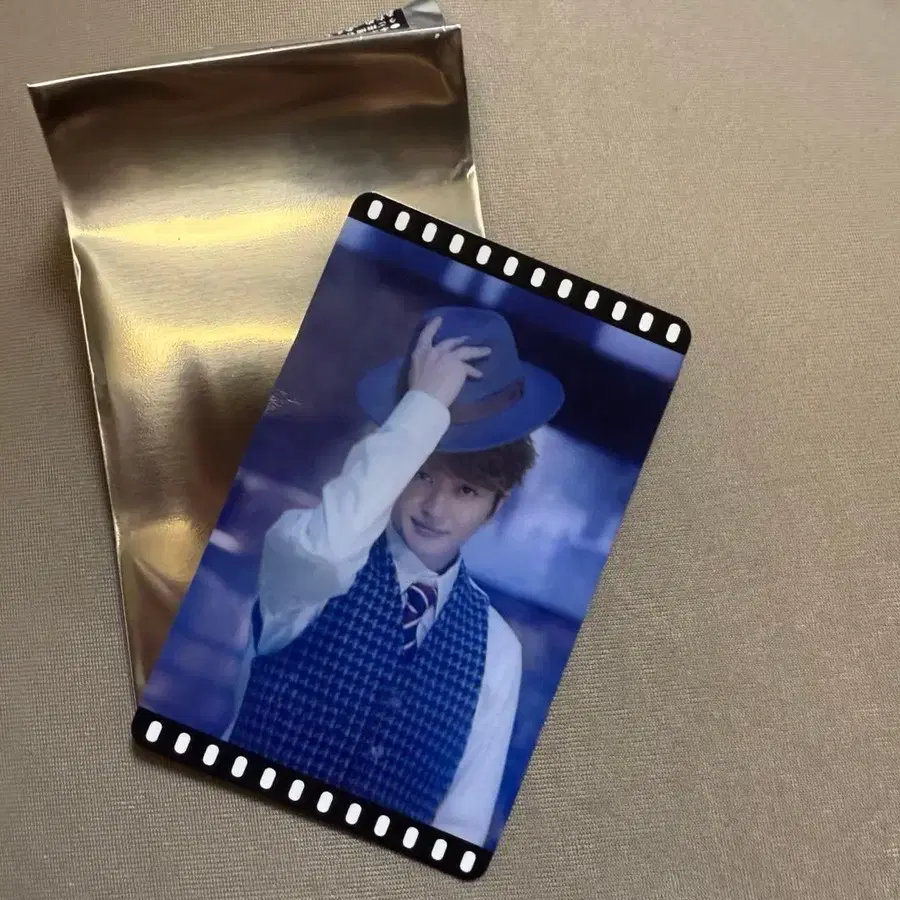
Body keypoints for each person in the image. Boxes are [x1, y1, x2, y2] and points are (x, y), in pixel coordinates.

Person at [225, 306, 565, 846]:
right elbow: (325, 552)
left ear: (495, 508)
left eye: (466, 491)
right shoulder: (309, 550)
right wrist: (424, 407)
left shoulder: (498, 650)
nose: (434, 508)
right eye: (420, 474)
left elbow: (459, 828)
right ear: (395, 464)